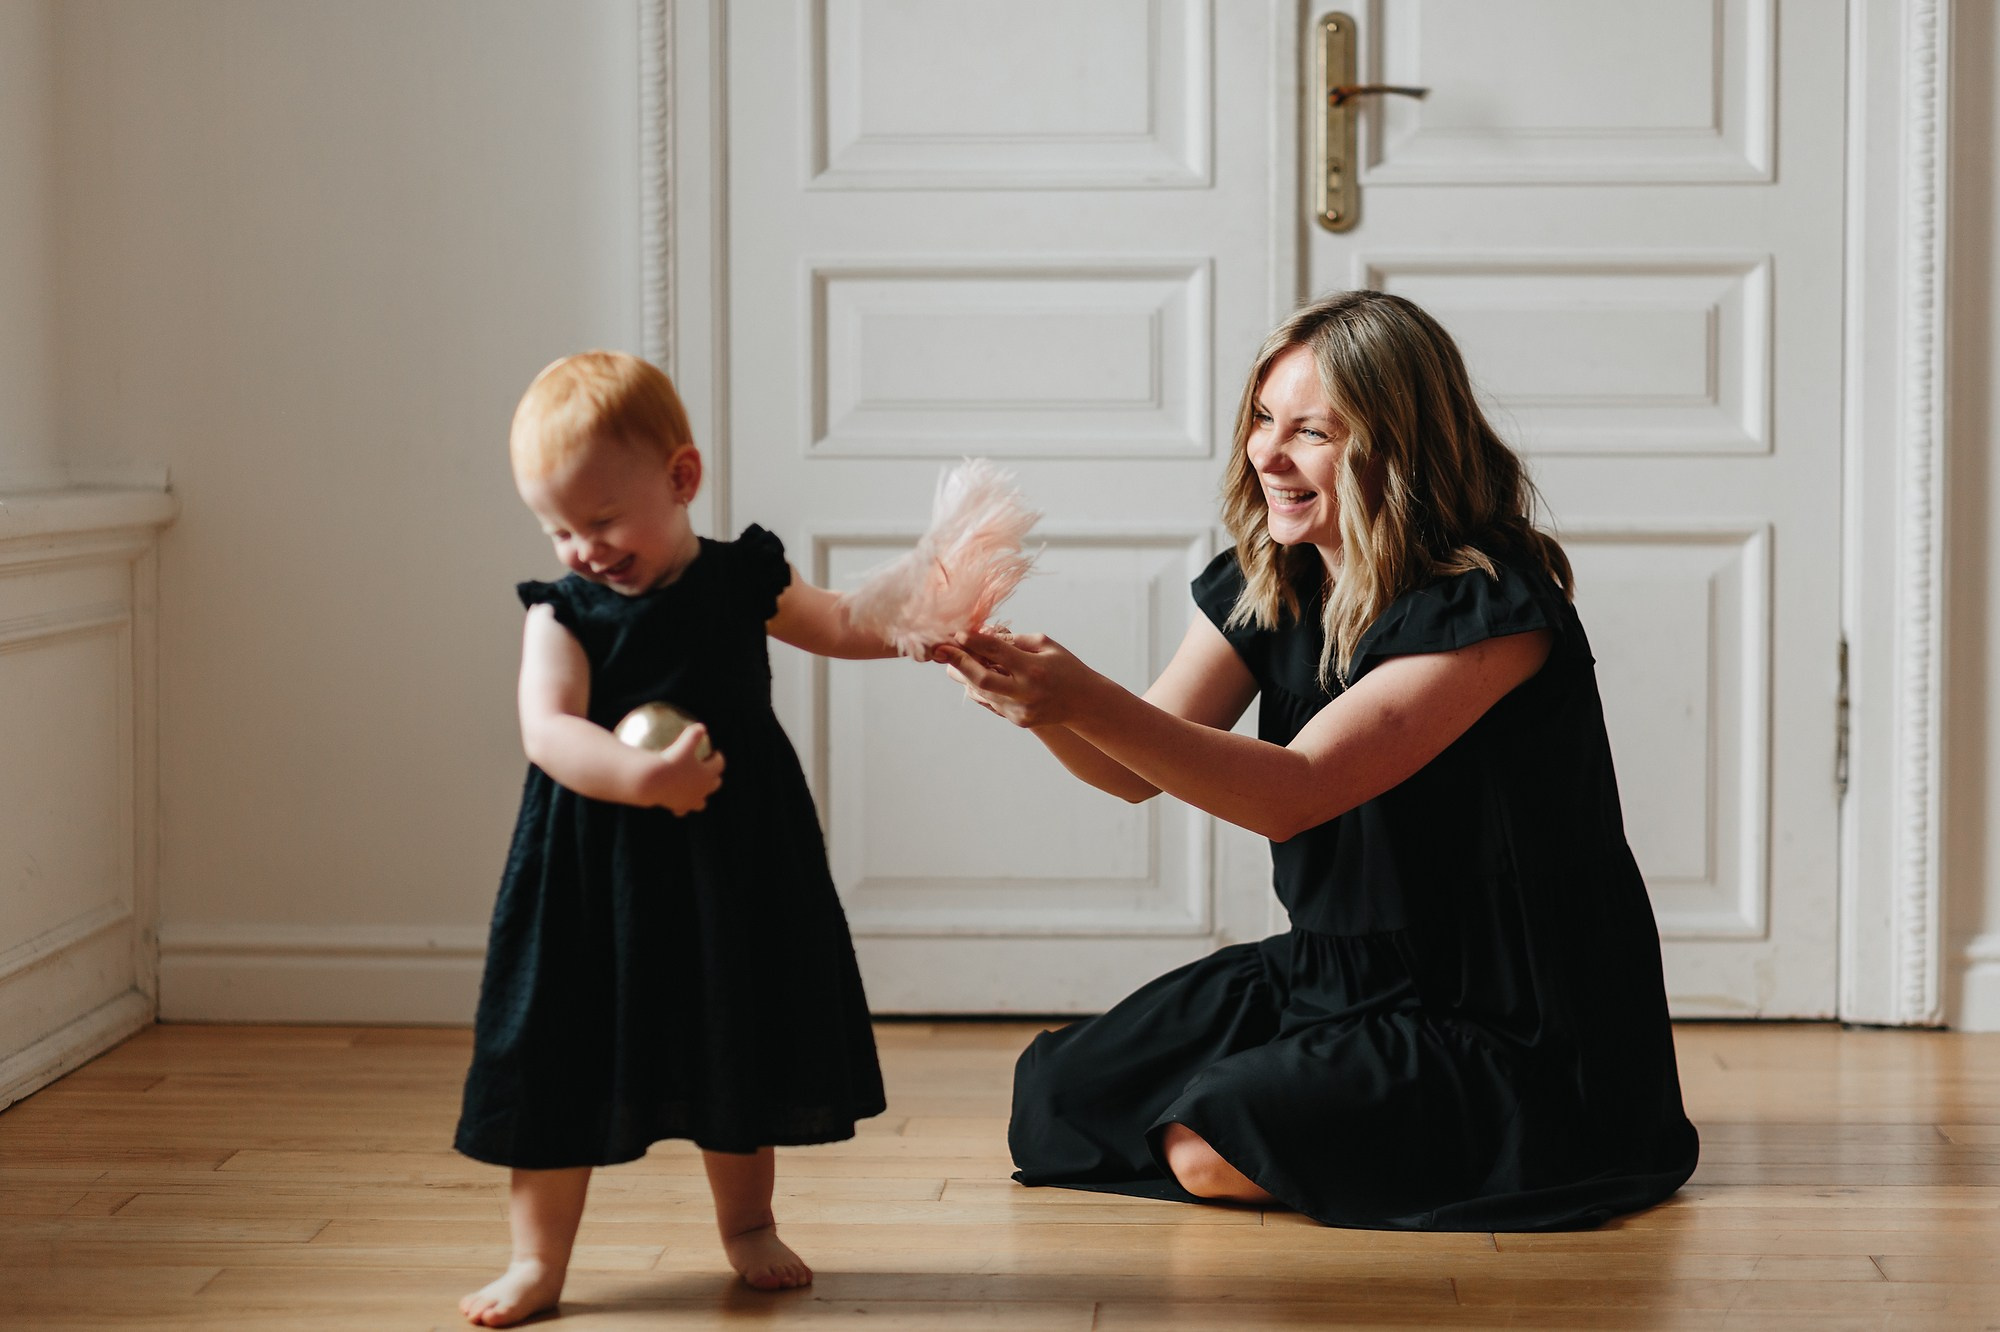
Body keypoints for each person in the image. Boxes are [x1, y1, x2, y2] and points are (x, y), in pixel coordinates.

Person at [936, 290, 1699, 1231]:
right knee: (1059, 1097)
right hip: (1331, 976)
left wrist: (1080, 695)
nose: (1266, 452)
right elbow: (1132, 770)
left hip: (1497, 1014)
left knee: (1207, 1147)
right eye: (1262, 418)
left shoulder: (1489, 612)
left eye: (1312, 432)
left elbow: (1296, 794)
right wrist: (1034, 703)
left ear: (1396, 449)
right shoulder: (1276, 577)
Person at [455, 351, 893, 1326]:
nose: (582, 548)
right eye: (557, 527)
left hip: (729, 863)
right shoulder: (562, 614)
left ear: (681, 478)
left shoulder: (743, 580)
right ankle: (537, 1261)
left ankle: (746, 1225)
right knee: (556, 1056)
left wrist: (925, 613)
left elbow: (840, 621)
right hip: (590, 875)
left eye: (601, 521)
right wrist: (639, 778)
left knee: (729, 1035)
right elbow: (549, 730)